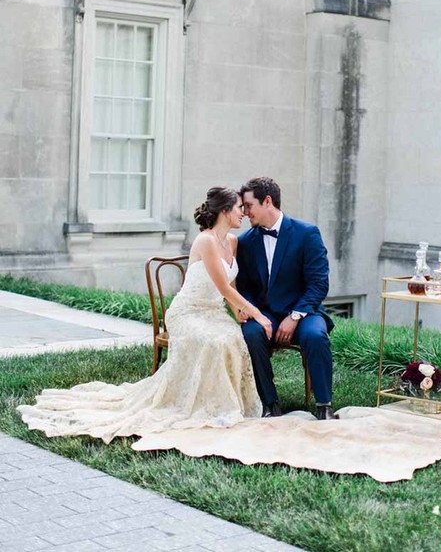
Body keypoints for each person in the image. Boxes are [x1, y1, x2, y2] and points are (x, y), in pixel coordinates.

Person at [18, 187, 273, 443]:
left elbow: (233, 283)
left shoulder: (232, 242)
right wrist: (259, 315)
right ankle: (194, 403)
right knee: (213, 342)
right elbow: (223, 287)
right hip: (188, 313)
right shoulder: (205, 241)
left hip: (214, 312)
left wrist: (240, 310)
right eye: (240, 207)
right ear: (226, 211)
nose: (244, 212)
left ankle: (225, 402)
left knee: (232, 338)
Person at [236, 176, 337, 420]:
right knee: (250, 334)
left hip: (304, 311)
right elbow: (245, 287)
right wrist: (255, 314)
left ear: (267, 201)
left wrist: (295, 316)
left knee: (315, 335)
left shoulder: (307, 233)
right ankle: (270, 404)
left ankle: (324, 405)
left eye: (248, 205)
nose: (245, 212)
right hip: (265, 312)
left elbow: (319, 283)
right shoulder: (246, 242)